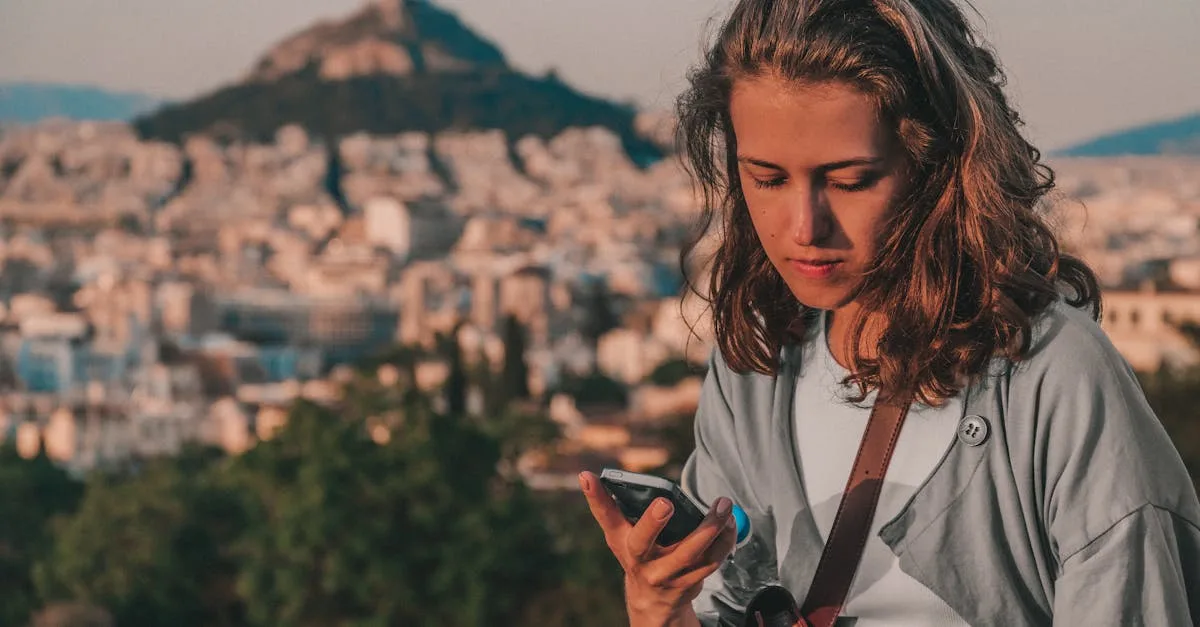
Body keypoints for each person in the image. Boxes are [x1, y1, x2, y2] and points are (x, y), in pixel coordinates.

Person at [578, 0, 1200, 625]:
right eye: (766, 179)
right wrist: (660, 608)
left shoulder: (1054, 380)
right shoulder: (756, 369)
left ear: (937, 166)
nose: (804, 228)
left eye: (850, 181)